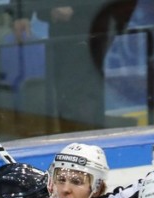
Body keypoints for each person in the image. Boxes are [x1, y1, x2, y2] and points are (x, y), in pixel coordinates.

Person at [11, 1, 137, 133]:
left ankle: (84, 141)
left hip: (91, 22)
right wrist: (23, 12)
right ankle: (82, 139)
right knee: (72, 90)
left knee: (79, 90)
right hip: (69, 26)